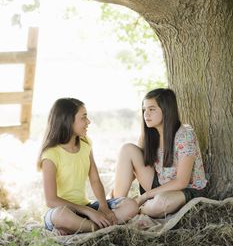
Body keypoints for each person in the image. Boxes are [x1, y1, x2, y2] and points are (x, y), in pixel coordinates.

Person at [38, 98, 138, 235]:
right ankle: (100, 227)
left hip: (85, 208)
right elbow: (51, 200)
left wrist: (103, 207)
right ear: (68, 121)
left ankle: (82, 227)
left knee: (131, 205)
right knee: (60, 215)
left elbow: (95, 180)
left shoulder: (86, 145)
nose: (88, 122)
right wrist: (89, 212)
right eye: (83, 118)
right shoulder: (50, 155)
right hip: (62, 211)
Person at [113, 88, 208, 218]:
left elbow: (181, 182)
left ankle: (139, 209)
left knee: (160, 204)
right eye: (144, 110)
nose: (146, 114)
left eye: (152, 109)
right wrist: (115, 191)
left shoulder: (185, 136)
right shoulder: (149, 134)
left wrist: (145, 196)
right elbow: (134, 168)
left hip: (184, 190)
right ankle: (117, 207)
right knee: (127, 149)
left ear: (166, 110)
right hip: (158, 183)